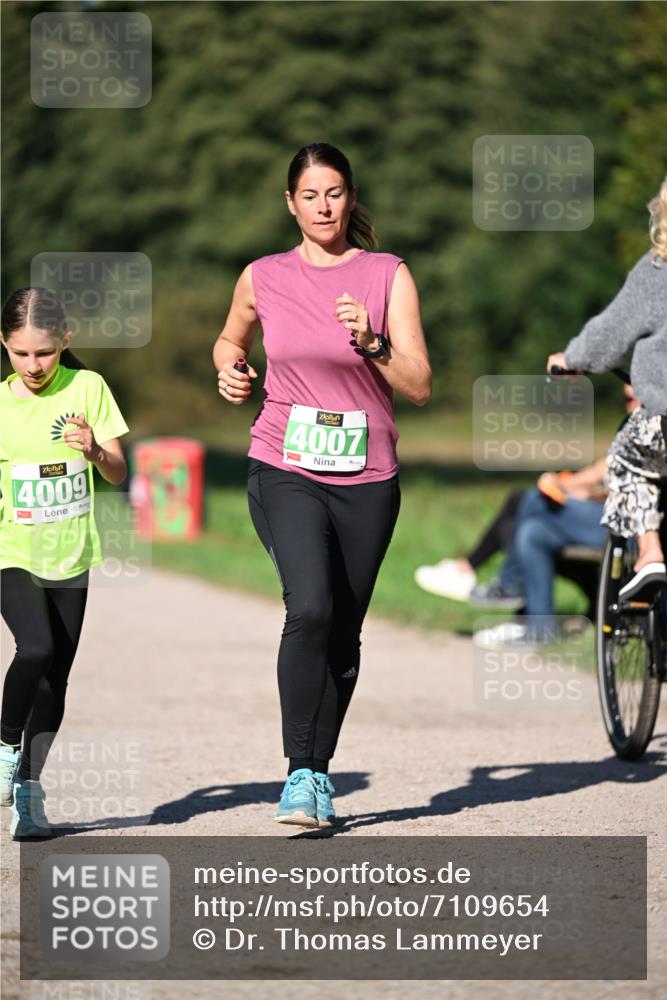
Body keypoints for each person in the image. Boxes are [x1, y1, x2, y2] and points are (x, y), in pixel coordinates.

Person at [212, 143, 431, 828]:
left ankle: (319, 771)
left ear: (350, 196)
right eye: (309, 196)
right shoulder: (262, 276)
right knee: (308, 607)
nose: (323, 207)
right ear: (290, 203)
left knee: (343, 630)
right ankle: (300, 774)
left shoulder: (386, 274)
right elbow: (229, 341)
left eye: (333, 193)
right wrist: (230, 369)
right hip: (285, 463)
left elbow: (419, 386)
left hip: (367, 475)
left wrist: (371, 343)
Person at [0, 288, 129, 838]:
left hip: (72, 556)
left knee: (56, 680)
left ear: (65, 342)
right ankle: (6, 746)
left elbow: (119, 473)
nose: (33, 365)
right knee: (36, 648)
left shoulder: (89, 387)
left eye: (45, 353)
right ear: (5, 345)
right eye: (21, 353)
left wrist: (96, 451)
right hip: (13, 552)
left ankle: (28, 795)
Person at [547, 176, 667, 601]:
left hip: (662, 422)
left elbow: (610, 333)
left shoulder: (659, 269)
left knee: (626, 461)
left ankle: (649, 552)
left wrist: (573, 359)